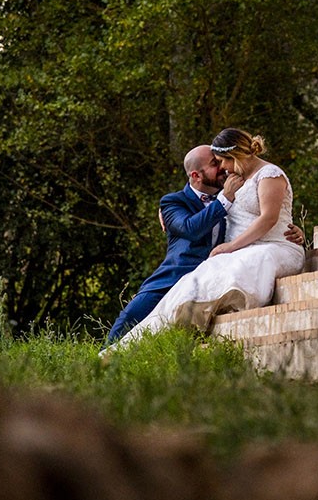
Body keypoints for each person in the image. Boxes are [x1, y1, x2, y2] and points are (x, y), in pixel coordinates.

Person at [105, 128, 306, 352]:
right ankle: (105, 358)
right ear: (196, 176)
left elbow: (266, 213)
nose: (222, 168)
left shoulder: (240, 181)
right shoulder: (174, 202)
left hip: (229, 262)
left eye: (221, 161)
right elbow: (190, 229)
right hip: (180, 272)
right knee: (133, 315)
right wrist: (224, 199)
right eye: (214, 163)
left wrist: (293, 230)